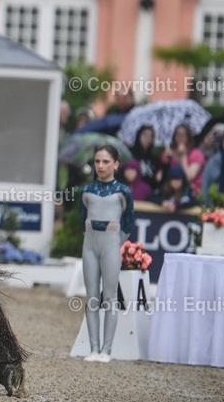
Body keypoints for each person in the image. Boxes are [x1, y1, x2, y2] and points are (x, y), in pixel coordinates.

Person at [79, 144, 134, 363]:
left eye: (105, 161)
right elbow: (83, 220)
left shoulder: (123, 191)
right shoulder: (86, 191)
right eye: (97, 161)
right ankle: (93, 348)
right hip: (90, 246)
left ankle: (106, 350)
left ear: (116, 164)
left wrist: (115, 243)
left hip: (111, 245)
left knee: (110, 297)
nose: (100, 166)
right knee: (92, 296)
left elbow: (129, 223)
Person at [160, 124, 205, 196]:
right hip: (171, 191)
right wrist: (166, 162)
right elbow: (159, 177)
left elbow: (189, 177)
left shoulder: (197, 154)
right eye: (178, 134)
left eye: (183, 135)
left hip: (191, 192)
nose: (180, 137)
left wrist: (183, 156)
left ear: (189, 137)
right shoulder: (168, 153)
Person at [128, 124, 159, 195]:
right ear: (139, 135)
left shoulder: (155, 159)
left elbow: (157, 181)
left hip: (149, 193)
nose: (147, 138)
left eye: (151, 136)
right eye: (145, 135)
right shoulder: (130, 155)